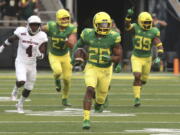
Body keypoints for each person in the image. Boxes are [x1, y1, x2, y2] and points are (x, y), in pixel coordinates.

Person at [72, 11, 122, 129]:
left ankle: (99, 103)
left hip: (106, 70)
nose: (105, 27)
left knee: (100, 99)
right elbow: (78, 45)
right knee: (89, 89)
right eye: (102, 25)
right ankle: (86, 119)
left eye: (106, 25)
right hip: (92, 66)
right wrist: (74, 57)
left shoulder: (114, 36)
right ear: (95, 24)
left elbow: (118, 54)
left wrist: (113, 60)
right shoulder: (87, 34)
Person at [0, 15, 48, 113]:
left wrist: (39, 55)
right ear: (28, 25)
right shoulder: (22, 31)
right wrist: (2, 46)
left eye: (36, 25)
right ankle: (15, 89)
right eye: (32, 25)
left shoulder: (42, 36)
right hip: (21, 61)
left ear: (39, 25)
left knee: (29, 87)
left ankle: (20, 103)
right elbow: (11, 39)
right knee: (22, 81)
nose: (34, 27)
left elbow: (43, 54)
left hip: (32, 64)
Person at [124, 9, 164, 107]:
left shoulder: (153, 31)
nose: (147, 24)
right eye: (145, 22)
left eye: (148, 22)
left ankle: (138, 89)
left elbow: (159, 45)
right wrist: (128, 16)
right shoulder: (136, 28)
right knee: (137, 76)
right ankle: (137, 98)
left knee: (143, 80)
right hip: (136, 57)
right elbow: (127, 26)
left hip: (147, 59)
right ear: (140, 22)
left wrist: (159, 56)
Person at [41, 9, 77, 106]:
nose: (65, 20)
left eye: (67, 18)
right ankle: (56, 80)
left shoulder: (71, 28)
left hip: (65, 55)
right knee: (57, 72)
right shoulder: (51, 26)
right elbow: (39, 29)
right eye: (63, 18)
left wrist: (69, 42)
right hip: (54, 54)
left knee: (67, 79)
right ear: (58, 19)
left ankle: (65, 98)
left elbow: (73, 44)